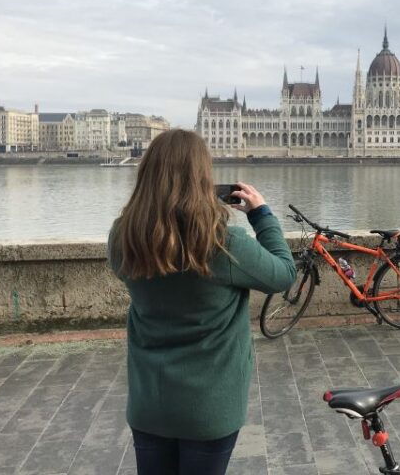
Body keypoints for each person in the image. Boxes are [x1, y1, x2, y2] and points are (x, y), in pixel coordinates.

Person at [107, 129, 296, 475]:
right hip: (209, 407)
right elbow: (283, 274)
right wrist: (263, 215)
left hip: (150, 402)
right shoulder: (222, 242)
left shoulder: (123, 236)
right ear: (202, 178)